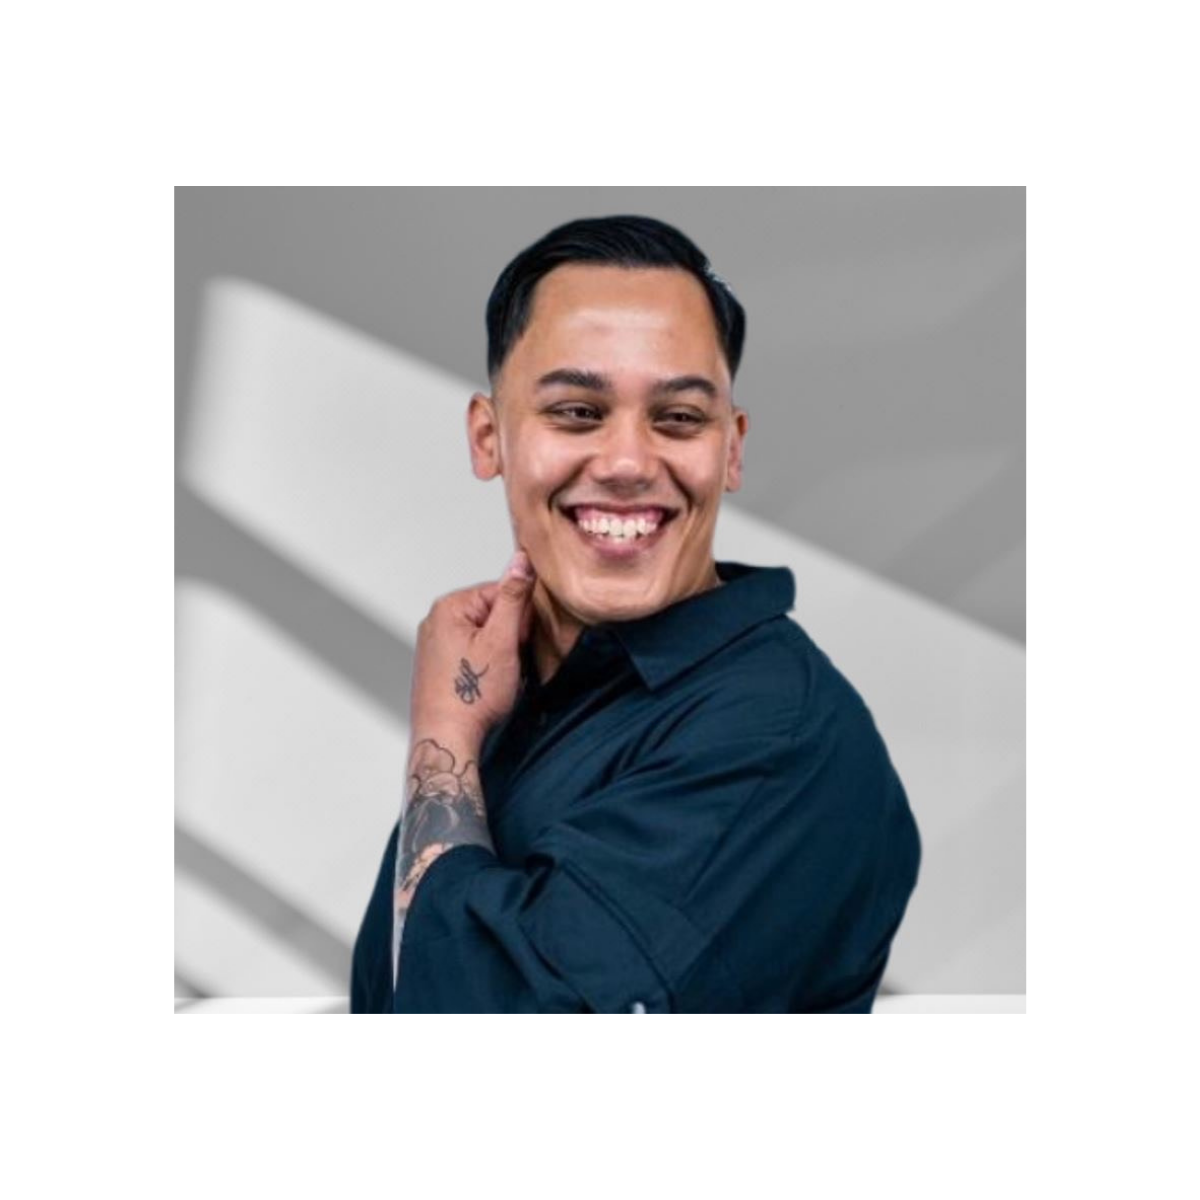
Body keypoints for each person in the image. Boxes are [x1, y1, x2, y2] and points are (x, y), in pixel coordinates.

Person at [350, 214, 921, 1021]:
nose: (626, 463)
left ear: (731, 449)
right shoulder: (529, 694)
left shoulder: (771, 735)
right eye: (577, 412)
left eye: (679, 418)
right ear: (489, 438)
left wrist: (442, 733)